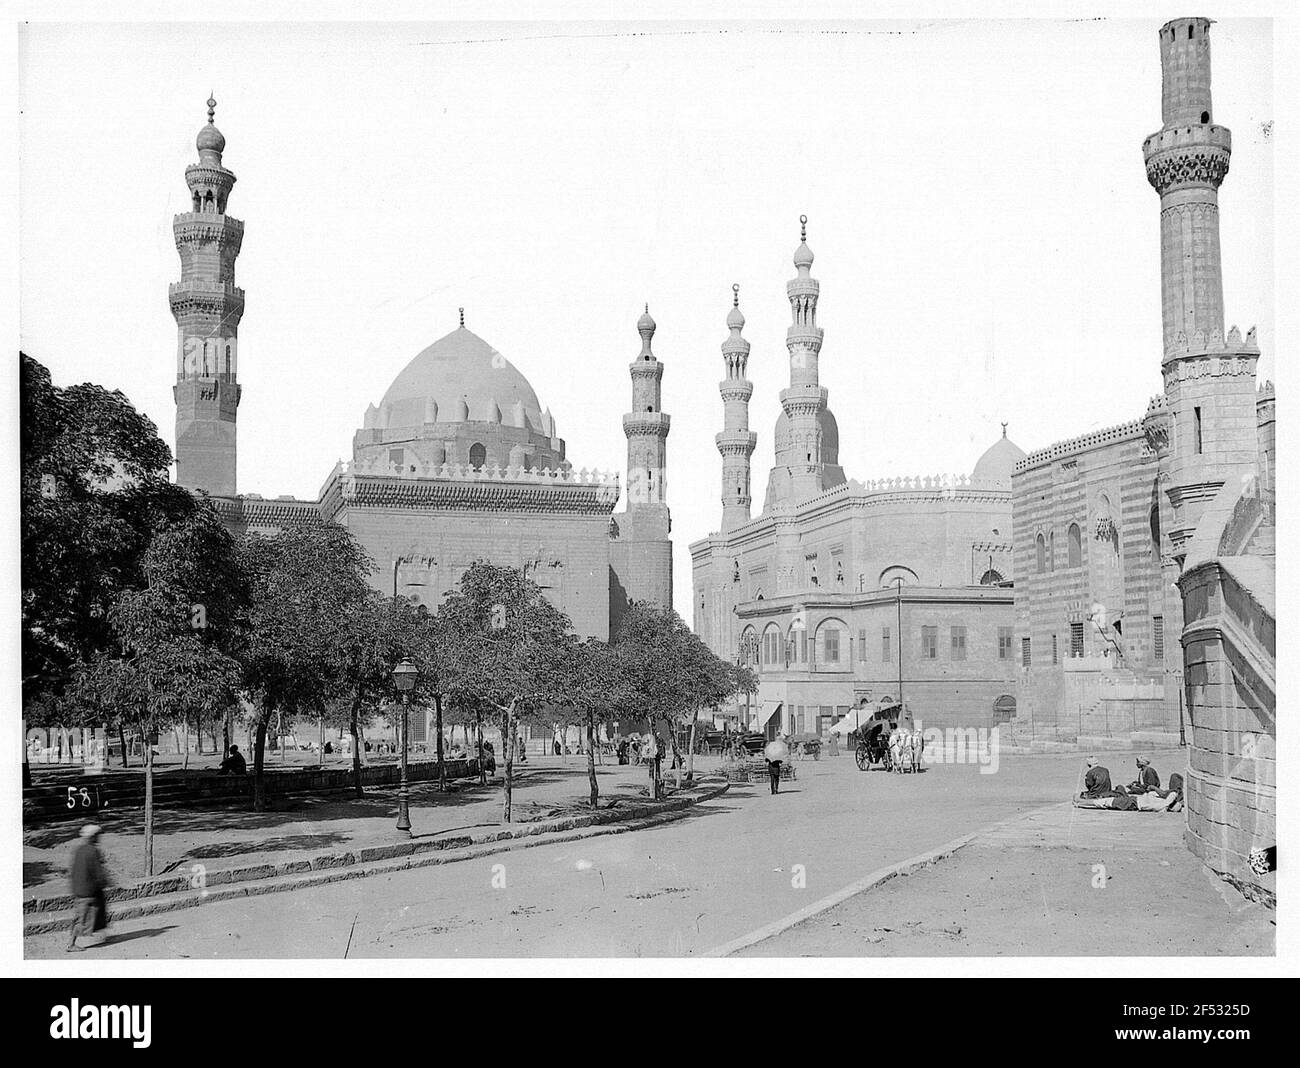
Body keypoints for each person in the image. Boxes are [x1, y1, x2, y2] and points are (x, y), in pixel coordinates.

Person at [67, 824, 111, 952]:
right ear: (93, 837)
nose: (99, 838)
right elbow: (97, 871)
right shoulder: (92, 851)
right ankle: (71, 944)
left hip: (79, 888)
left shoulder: (79, 849)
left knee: (91, 913)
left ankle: (103, 936)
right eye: (97, 836)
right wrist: (105, 882)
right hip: (87, 890)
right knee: (81, 918)